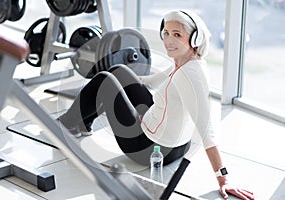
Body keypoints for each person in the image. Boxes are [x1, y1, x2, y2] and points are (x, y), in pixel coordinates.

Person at [58, 10, 254, 200]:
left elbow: (207, 131)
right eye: (166, 33)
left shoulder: (190, 76)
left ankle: (65, 124)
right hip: (176, 145)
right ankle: (83, 123)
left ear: (195, 39)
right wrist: (126, 82)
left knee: (104, 80)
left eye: (177, 35)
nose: (169, 40)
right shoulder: (186, 60)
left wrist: (224, 178)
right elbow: (152, 82)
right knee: (118, 70)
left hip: (148, 148)